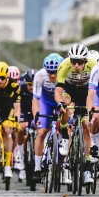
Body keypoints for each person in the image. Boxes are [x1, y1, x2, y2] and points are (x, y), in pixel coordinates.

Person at [55, 43, 97, 185]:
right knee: (65, 104)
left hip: (86, 92)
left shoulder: (93, 65)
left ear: (85, 61)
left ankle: (87, 168)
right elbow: (58, 91)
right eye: (74, 61)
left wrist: (94, 108)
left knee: (86, 125)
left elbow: (96, 91)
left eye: (80, 62)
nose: (76, 65)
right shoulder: (64, 65)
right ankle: (65, 136)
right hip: (69, 90)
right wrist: (60, 103)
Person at [32, 54, 71, 184]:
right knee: (42, 131)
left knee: (68, 130)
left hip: (62, 101)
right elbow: (35, 100)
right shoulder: (40, 75)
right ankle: (37, 167)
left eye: (55, 72)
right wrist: (36, 116)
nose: (52, 75)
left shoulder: (66, 74)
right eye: (50, 72)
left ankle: (66, 165)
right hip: (46, 102)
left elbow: (71, 98)